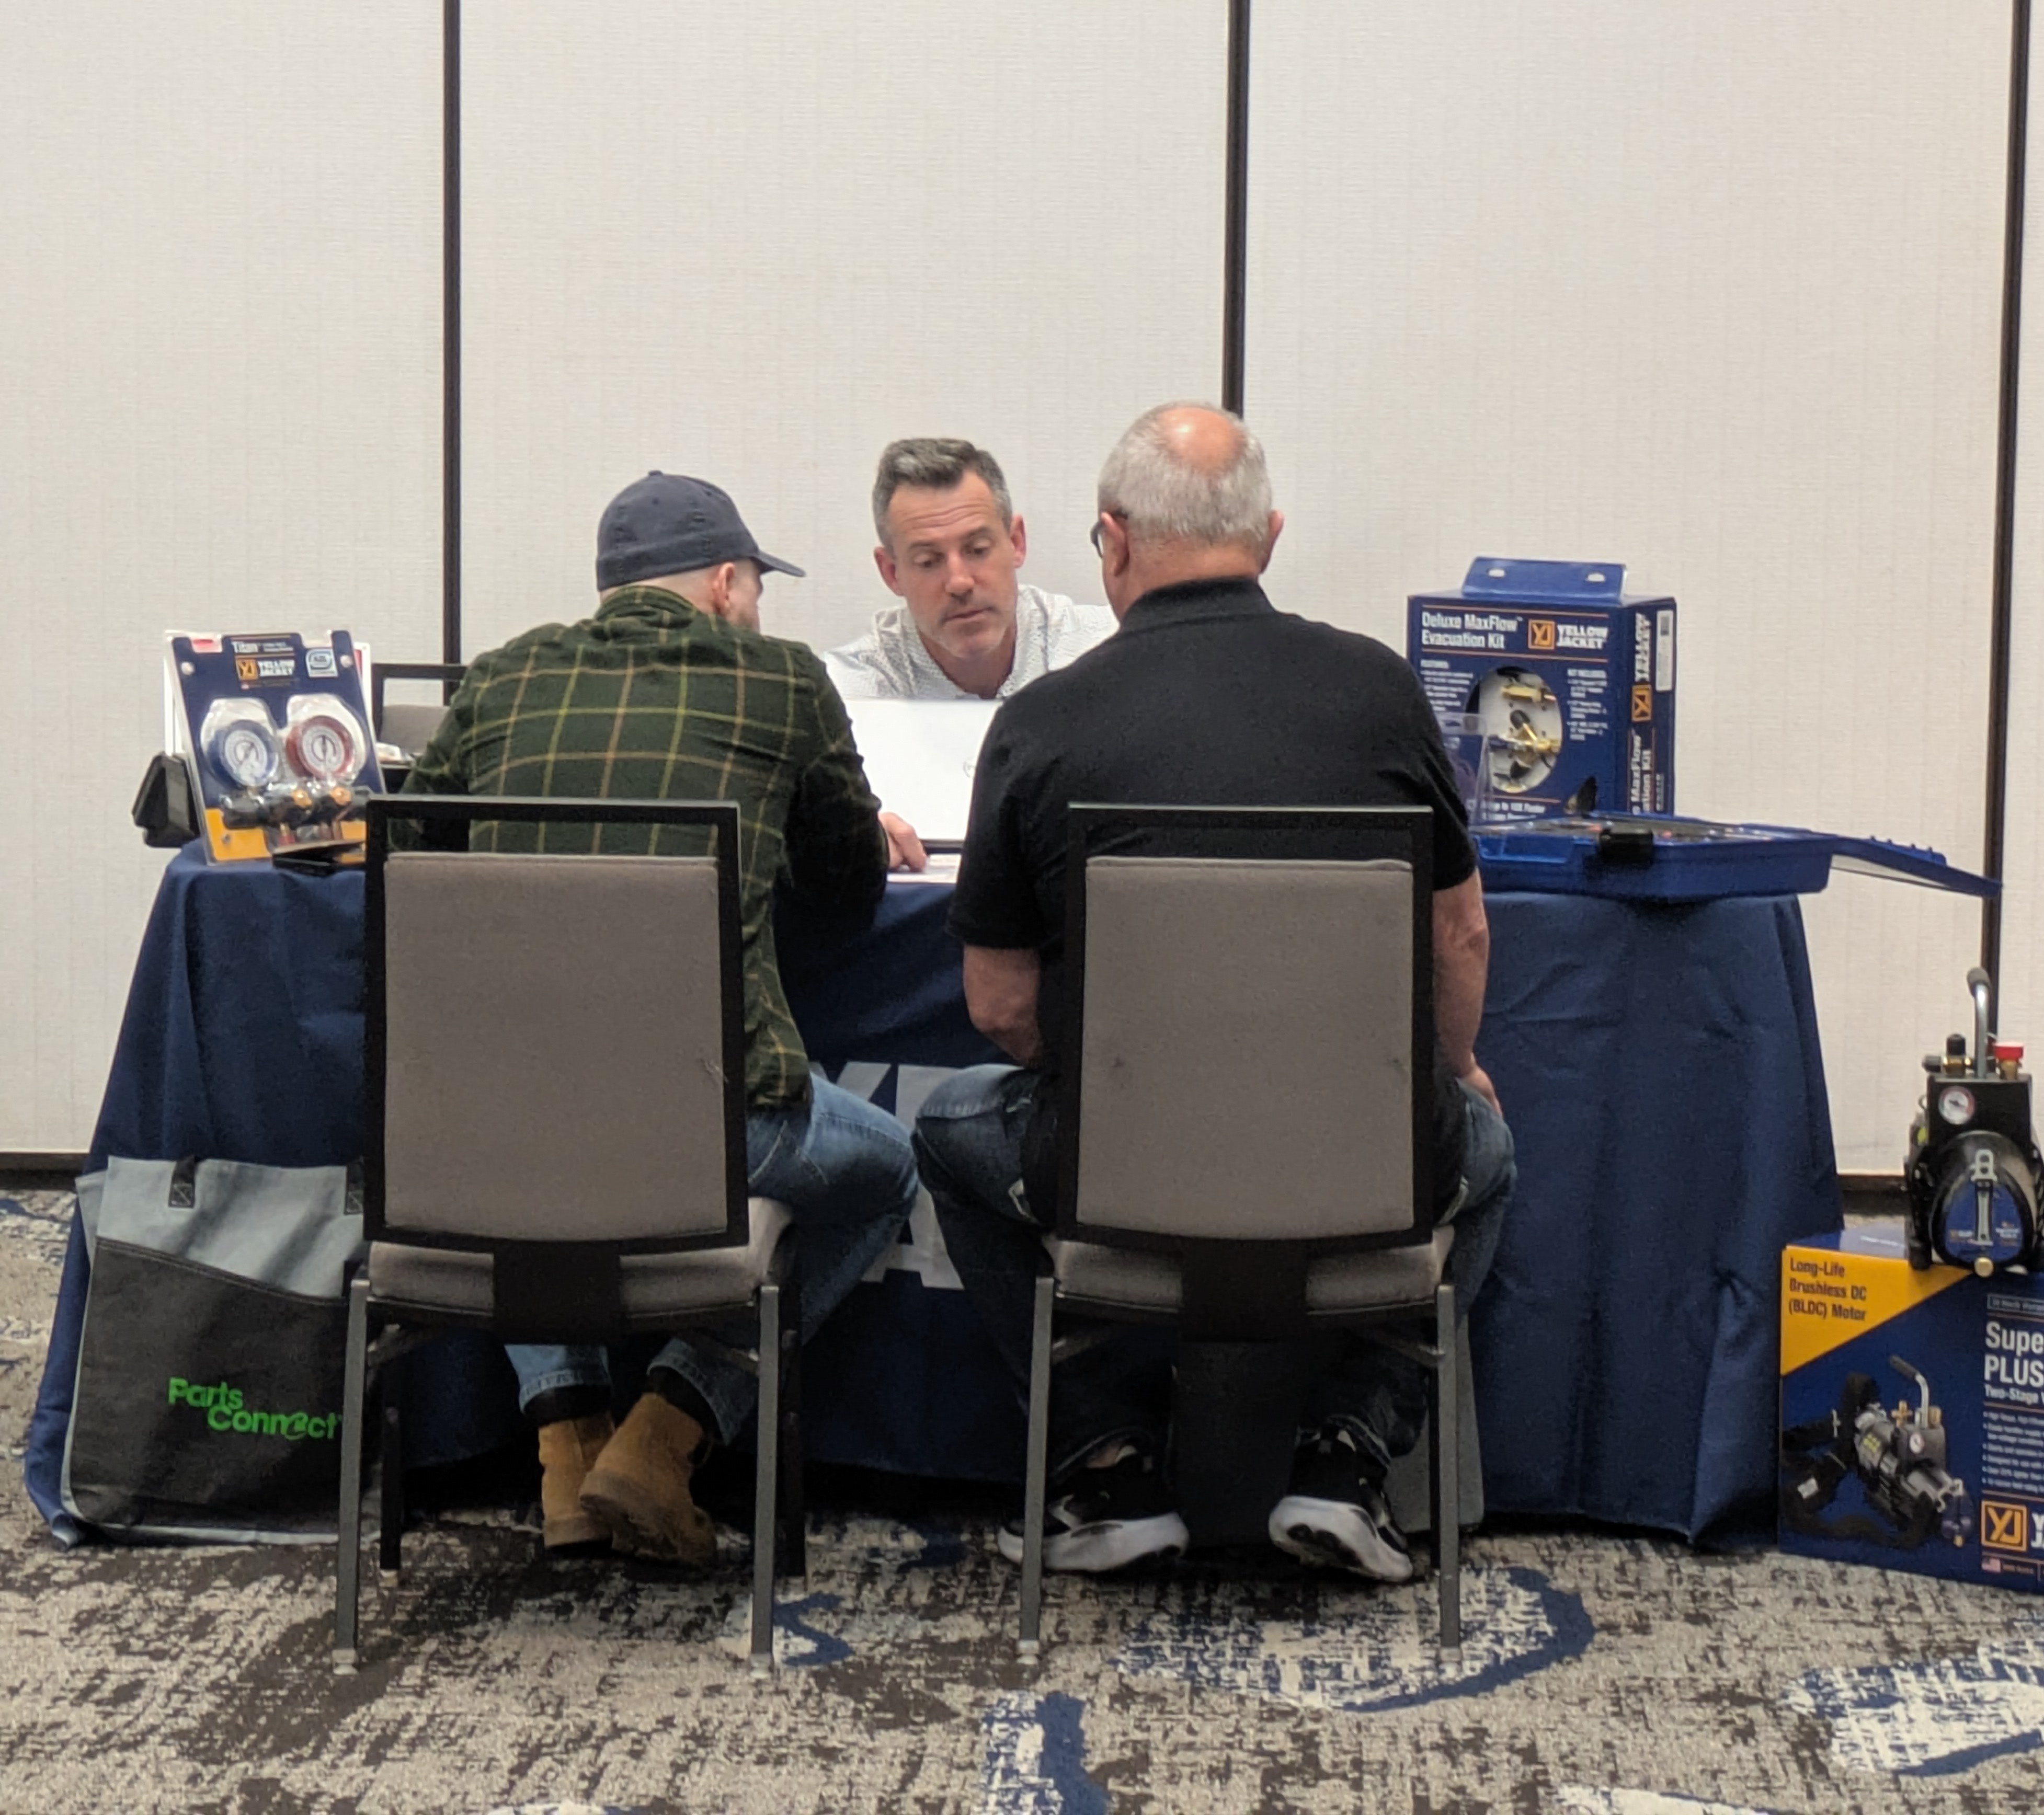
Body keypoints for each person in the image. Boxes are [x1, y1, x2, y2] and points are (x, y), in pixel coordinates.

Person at [912, 404, 1516, 1584]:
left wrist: (1116, 1092)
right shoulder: (1380, 691)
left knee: (945, 1126)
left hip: (1112, 1186)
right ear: (1269, 536)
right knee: (1483, 1145)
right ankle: (1348, 1450)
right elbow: (1462, 931)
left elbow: (996, 1005)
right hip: (1363, 1176)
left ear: (1111, 540)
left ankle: (1105, 1460)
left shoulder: (1039, 723)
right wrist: (1453, 1072)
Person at [404, 471, 921, 1566]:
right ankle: (670, 1425)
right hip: (709, 1121)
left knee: (524, 1149)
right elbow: (846, 882)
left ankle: (564, 1443)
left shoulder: (499, 677)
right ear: (727, 583)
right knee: (885, 1170)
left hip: (495, 1129)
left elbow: (414, 858)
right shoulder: (783, 679)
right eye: (757, 587)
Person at [820, 438, 1116, 702]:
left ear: (1016, 543)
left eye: (978, 550)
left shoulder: (1105, 649)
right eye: (928, 561)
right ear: (891, 573)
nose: (959, 582)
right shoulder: (848, 693)